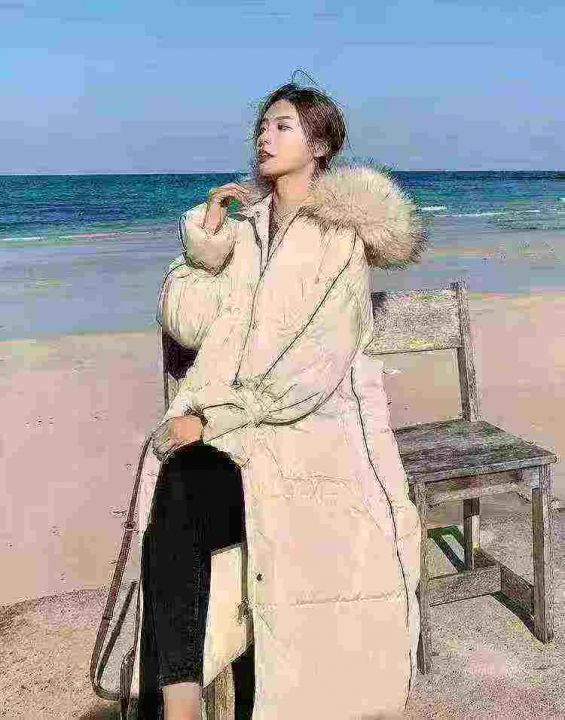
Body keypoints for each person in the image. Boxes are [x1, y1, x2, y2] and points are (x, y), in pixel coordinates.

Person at [136, 79, 427, 720]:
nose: (265, 137)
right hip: (244, 431)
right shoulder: (247, 232)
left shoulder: (340, 238)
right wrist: (207, 240)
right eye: (262, 127)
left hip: (314, 432)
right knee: (177, 487)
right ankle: (181, 701)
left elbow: (316, 364)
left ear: (318, 145)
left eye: (283, 125)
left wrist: (210, 418)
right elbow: (189, 323)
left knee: (207, 502)